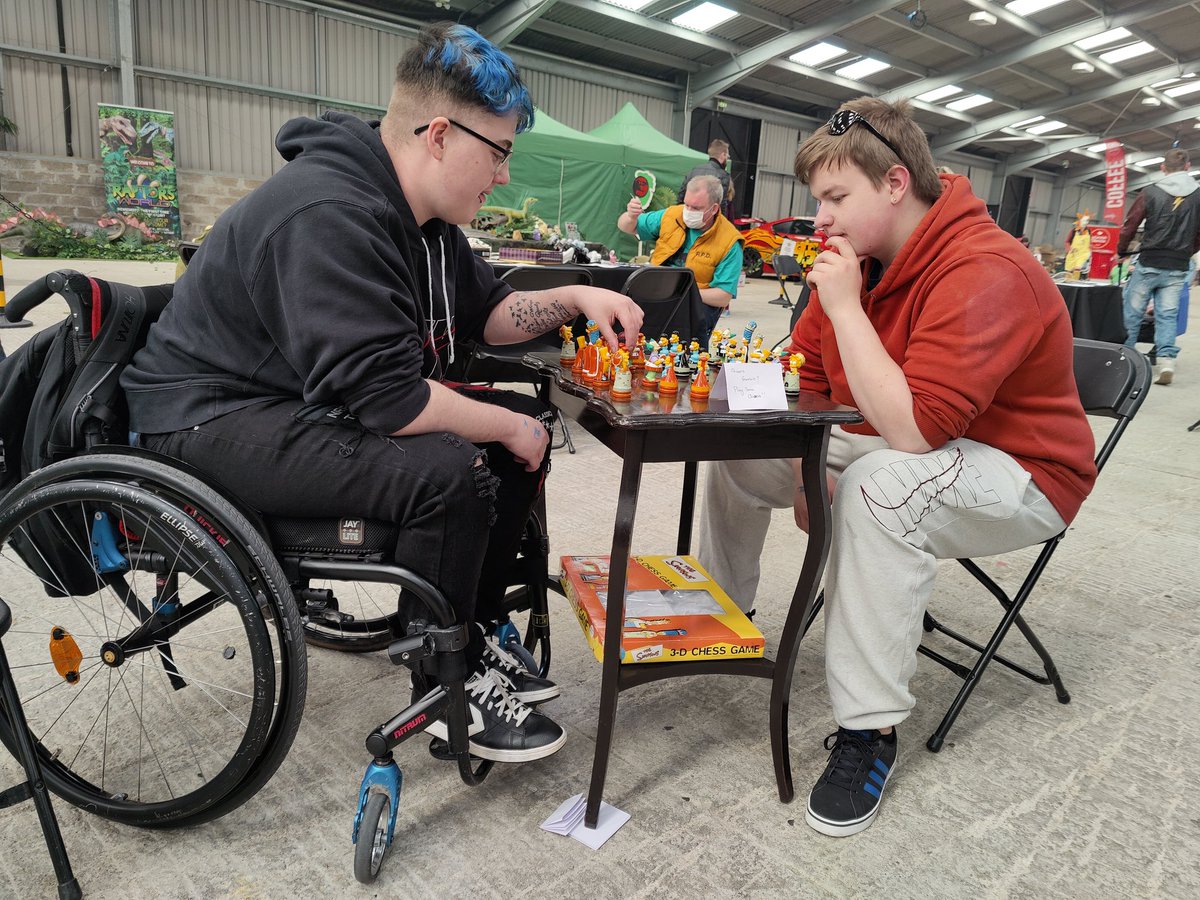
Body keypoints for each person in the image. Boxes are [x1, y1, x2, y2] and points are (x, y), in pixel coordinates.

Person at [121, 22, 642, 764]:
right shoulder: (328, 212)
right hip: (206, 415)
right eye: (498, 153)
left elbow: (488, 312)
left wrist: (573, 296)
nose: (503, 176)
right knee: (448, 468)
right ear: (438, 134)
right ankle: (443, 683)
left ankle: (472, 627)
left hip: (293, 399)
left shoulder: (425, 223)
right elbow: (391, 401)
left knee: (523, 432)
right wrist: (500, 427)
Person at [696, 97, 1096, 838]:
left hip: (1019, 469)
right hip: (905, 437)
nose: (820, 218)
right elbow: (809, 373)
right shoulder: (863, 259)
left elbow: (916, 431)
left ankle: (869, 732)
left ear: (894, 183)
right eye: (819, 199)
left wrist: (847, 308)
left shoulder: (986, 267)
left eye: (835, 198)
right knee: (739, 447)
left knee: (882, 491)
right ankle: (724, 624)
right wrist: (805, 469)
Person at [616, 174, 742, 343]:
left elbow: (722, 297)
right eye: (686, 205)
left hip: (693, 310)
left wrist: (683, 293)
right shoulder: (671, 215)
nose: (688, 212)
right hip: (653, 297)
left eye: (696, 208)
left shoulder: (730, 241)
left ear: (714, 209)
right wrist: (631, 216)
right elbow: (625, 226)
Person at [1117, 148, 1200, 385]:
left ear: (1163, 168)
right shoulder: (1199, 195)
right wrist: (1187, 251)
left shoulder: (1150, 191)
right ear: (1188, 167)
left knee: (1131, 314)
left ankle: (1128, 363)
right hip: (1178, 265)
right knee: (1167, 315)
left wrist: (1122, 251)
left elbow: (1130, 225)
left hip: (1149, 262)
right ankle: (1166, 362)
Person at [679, 139, 733, 218]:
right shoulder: (723, 175)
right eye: (727, 156)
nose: (727, 159)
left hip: (688, 217)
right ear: (723, 155)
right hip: (708, 220)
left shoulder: (694, 170)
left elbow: (681, 196)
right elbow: (721, 206)